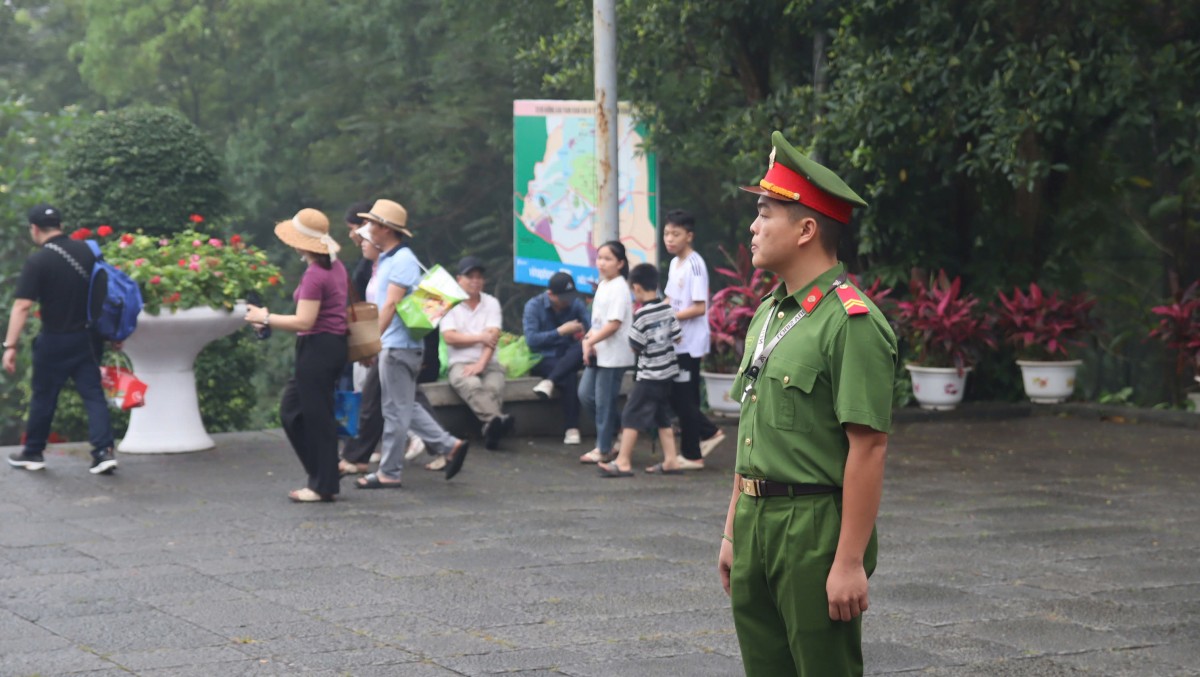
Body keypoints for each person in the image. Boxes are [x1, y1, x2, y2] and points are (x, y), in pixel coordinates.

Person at [717, 131, 897, 676]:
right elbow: (752, 433)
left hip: (812, 526)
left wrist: (848, 562)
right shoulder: (769, 313)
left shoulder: (851, 322)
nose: (753, 226)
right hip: (754, 519)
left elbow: (868, 449)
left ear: (806, 229)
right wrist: (731, 531)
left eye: (765, 212)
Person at [353, 198, 469, 488]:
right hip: (397, 344)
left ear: (384, 229)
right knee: (405, 406)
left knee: (394, 411)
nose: (367, 227)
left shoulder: (401, 259)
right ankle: (448, 445)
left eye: (371, 223)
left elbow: (391, 304)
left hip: (397, 345)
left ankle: (389, 472)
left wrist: (371, 342)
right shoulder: (391, 258)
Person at [243, 208, 348, 502]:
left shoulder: (317, 274)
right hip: (330, 346)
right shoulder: (335, 267)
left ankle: (322, 485)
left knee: (316, 417)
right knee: (293, 411)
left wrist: (265, 317)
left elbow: (304, 321)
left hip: (318, 347)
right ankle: (325, 470)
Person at [5, 204, 117, 475]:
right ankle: (103, 452)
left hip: (55, 339)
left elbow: (22, 306)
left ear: (34, 229)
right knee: (93, 395)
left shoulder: (38, 261)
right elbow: (104, 291)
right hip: (88, 338)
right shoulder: (88, 252)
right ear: (60, 225)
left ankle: (33, 452)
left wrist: (10, 345)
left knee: (44, 397)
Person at [596, 263, 683, 478]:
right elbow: (678, 336)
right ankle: (671, 460)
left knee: (631, 414)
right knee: (662, 415)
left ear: (636, 288)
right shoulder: (668, 309)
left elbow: (635, 345)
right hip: (667, 373)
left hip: (649, 375)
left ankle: (623, 461)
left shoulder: (642, 315)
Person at [662, 209, 725, 470]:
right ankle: (709, 432)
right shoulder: (674, 263)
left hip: (689, 344)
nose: (669, 239)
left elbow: (699, 307)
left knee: (686, 399)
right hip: (675, 341)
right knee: (675, 396)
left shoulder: (695, 265)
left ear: (689, 236)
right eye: (666, 233)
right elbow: (669, 299)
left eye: (675, 234)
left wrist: (672, 316)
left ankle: (692, 455)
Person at [441, 256, 514, 450]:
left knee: (493, 388)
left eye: (479, 277)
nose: (475, 281)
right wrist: (480, 337)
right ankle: (498, 421)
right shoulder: (449, 304)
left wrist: (481, 364)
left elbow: (493, 336)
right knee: (472, 385)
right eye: (470, 276)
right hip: (460, 363)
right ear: (459, 279)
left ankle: (490, 429)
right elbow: (450, 337)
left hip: (488, 361)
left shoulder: (491, 303)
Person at [577, 241, 634, 464]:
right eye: (599, 258)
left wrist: (590, 341)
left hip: (615, 355)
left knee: (603, 402)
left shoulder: (620, 287)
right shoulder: (604, 284)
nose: (601, 263)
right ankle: (620, 429)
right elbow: (598, 323)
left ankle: (604, 448)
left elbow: (614, 324)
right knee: (586, 395)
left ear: (620, 263)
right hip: (600, 352)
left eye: (607, 258)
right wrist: (587, 342)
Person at [523, 271, 590, 445]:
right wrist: (560, 331)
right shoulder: (534, 306)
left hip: (570, 354)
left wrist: (583, 333)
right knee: (568, 374)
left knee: (578, 350)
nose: (568, 301)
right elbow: (532, 340)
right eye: (563, 297)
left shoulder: (576, 303)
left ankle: (550, 382)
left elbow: (591, 330)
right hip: (544, 357)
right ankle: (572, 427)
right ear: (550, 294)